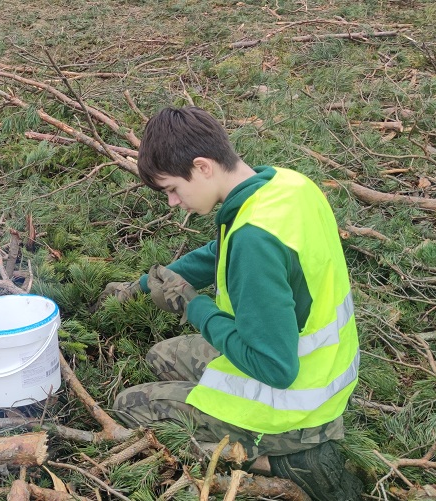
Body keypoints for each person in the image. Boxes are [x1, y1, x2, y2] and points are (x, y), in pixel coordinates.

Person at [98, 106, 362, 500]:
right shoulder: (286, 186)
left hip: (295, 402)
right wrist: (141, 285)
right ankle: (243, 424)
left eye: (172, 188)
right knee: (161, 356)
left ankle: (280, 460)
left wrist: (194, 308)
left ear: (202, 166)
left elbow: (276, 368)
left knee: (130, 405)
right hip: (325, 366)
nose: (172, 202)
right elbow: (217, 252)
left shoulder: (254, 243)